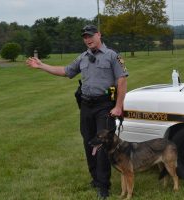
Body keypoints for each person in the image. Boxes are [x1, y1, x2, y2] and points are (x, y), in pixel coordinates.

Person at [26, 24, 128, 199]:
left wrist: (118, 106)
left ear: (99, 35)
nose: (87, 39)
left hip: (104, 106)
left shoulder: (112, 56)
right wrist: (42, 66)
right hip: (86, 106)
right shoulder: (83, 57)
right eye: (84, 37)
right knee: (89, 142)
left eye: (90, 36)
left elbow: (122, 81)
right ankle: (95, 179)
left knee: (102, 145)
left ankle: (104, 186)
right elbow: (65, 71)